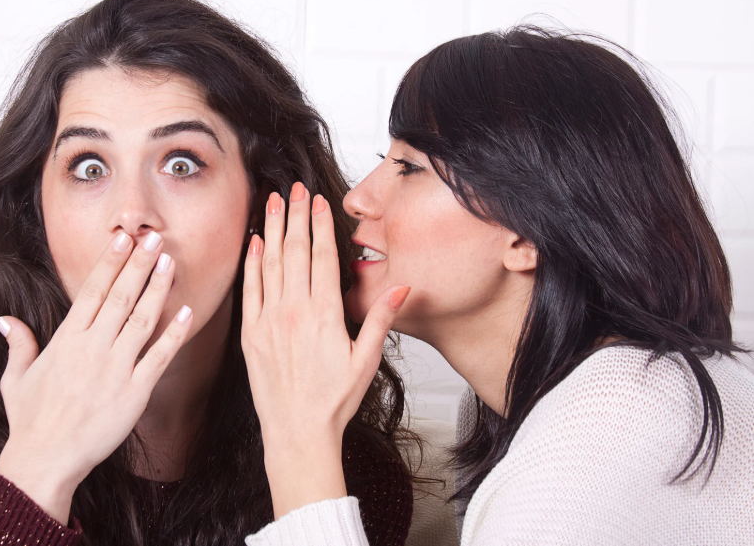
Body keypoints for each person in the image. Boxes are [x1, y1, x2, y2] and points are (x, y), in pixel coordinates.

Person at [0, 0, 414, 545]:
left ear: (260, 201)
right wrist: (35, 470)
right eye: (90, 167)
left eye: (181, 163)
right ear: (37, 212)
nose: (132, 215)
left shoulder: (351, 473)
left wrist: (302, 452)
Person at [240, 27, 754, 545]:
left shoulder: (612, 413)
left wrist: (300, 438)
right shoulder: (521, 407)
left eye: (409, 168)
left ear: (528, 231)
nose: (357, 199)